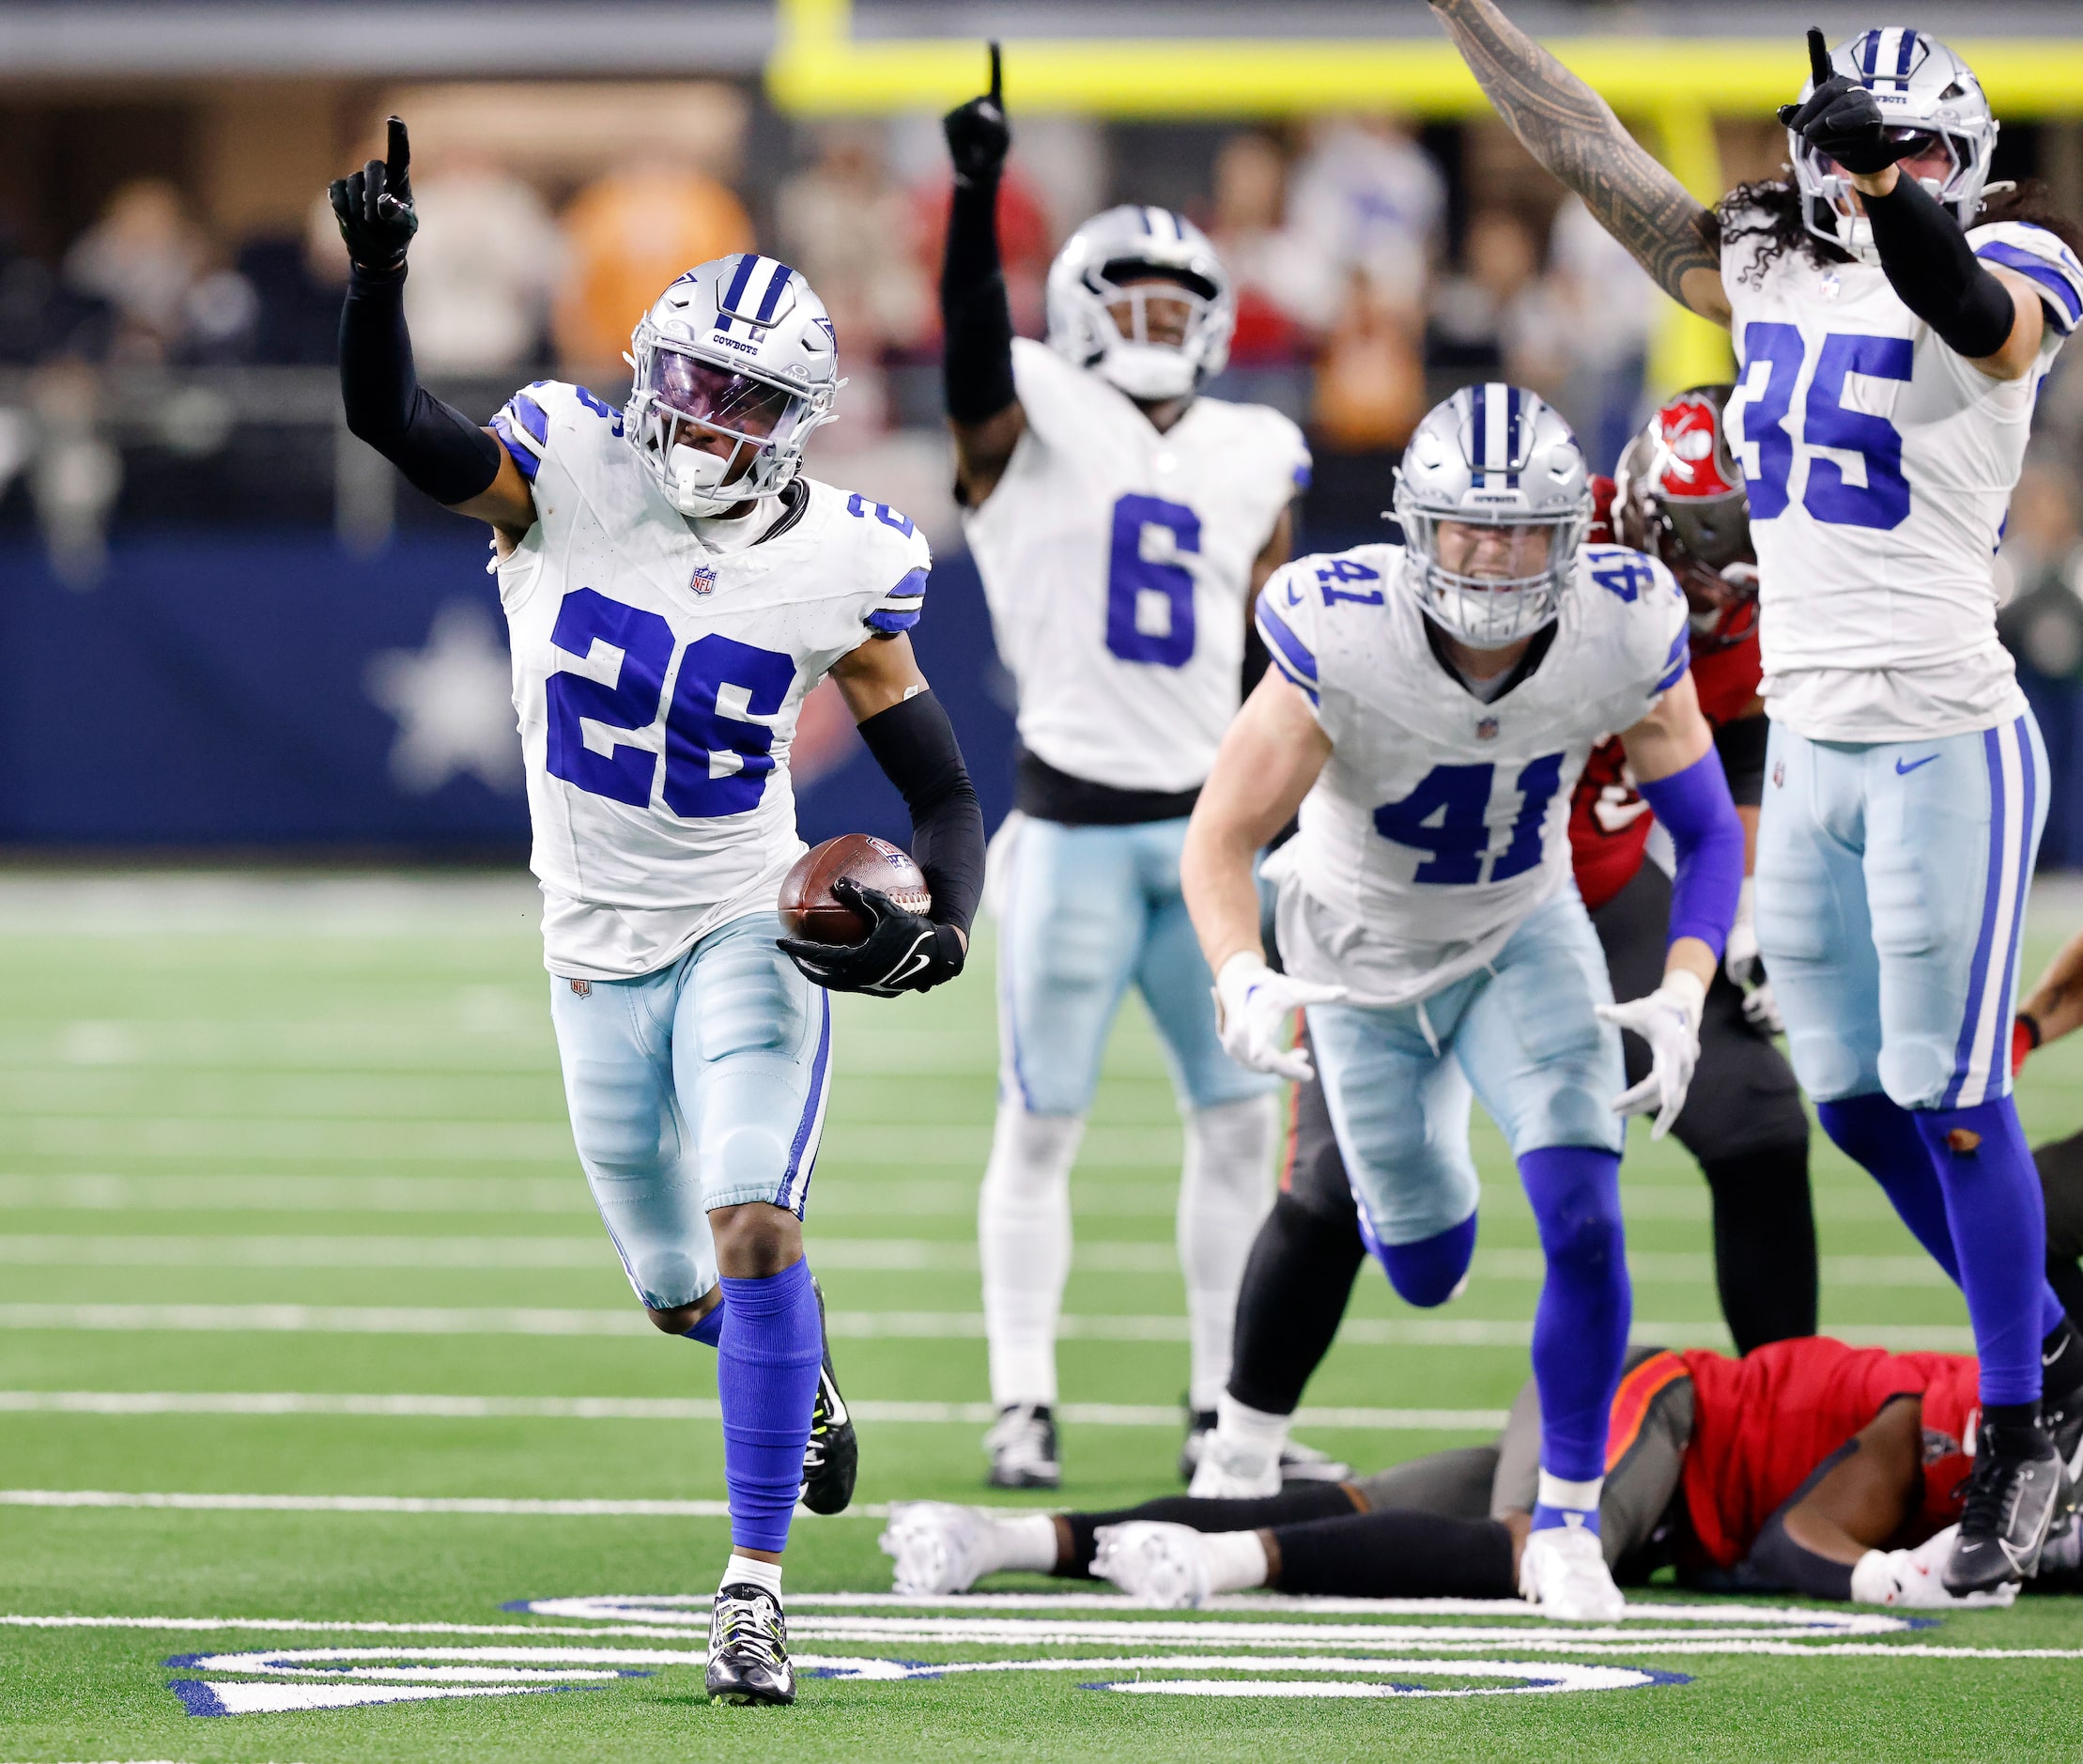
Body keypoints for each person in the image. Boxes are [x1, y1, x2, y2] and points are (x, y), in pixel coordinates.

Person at [1424, 2, 2083, 1596]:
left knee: (1943, 1088)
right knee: (1844, 1099)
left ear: (1961, 161)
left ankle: (2016, 1427)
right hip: (1809, 746)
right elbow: (1588, 153)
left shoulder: (2026, 257)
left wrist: (1878, 182)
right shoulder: (1768, 263)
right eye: (1871, 142)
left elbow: (1964, 303)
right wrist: (1470, 16)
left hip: (1945, 731)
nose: (1897, 168)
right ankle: (2054, 1358)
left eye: (1923, 144)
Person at [328, 120, 987, 1707]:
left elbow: (945, 794)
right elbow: (390, 418)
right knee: (678, 1288)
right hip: (586, 951)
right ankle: (796, 1368)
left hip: (740, 931)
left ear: (795, 427)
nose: (702, 418)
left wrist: (942, 921)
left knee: (754, 1220)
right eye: (687, 379)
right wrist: (379, 275)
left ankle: (752, 1589)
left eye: (743, 399)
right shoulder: (561, 468)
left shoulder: (841, 560)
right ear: (645, 370)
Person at [1177, 380, 1747, 1617]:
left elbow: (1705, 834)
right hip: (1354, 954)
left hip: (1517, 935)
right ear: (1411, 525)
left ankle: (1564, 1522)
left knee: (1585, 1217)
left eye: (1522, 531)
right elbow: (1219, 837)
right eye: (1466, 528)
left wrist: (1683, 990)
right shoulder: (1341, 626)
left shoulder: (1619, 620)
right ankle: (1251, 1429)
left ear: (1573, 533)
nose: (1491, 557)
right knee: (1424, 1261)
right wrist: (1239, 974)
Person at [938, 50, 1312, 1491]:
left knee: (1235, 1131)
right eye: (1132, 303)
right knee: (1039, 1121)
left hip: (1211, 845)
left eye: (1179, 307)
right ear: (1083, 317)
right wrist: (977, 200)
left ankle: (1227, 1404)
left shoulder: (1256, 449)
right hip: (1075, 834)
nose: (1157, 327)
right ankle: (1019, 1397)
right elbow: (971, 344)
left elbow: (1271, 659)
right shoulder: (1029, 412)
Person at [883, 1334, 2065, 1611]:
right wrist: (1901, 1578)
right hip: (1658, 1406)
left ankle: (1005, 1541)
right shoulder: (1948, 1414)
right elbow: (1795, 1547)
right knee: (1535, 1554)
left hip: (1655, 1467)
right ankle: (1215, 1560)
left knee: (1357, 1507)